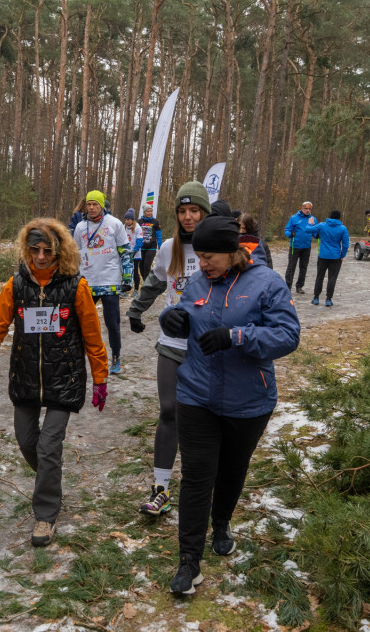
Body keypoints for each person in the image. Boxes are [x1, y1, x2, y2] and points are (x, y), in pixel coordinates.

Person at [158, 216, 300, 595]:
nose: (202, 263)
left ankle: (221, 522)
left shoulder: (267, 283)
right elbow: (183, 312)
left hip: (249, 400)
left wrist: (236, 336)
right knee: (196, 476)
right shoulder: (197, 282)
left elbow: (288, 336)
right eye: (199, 256)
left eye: (209, 256)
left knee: (232, 470)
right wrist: (172, 319)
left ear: (231, 251)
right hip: (197, 395)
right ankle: (189, 561)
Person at [0, 218, 108, 547]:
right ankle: (50, 476)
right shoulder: (16, 286)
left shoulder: (76, 287)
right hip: (26, 378)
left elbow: (92, 336)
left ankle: (46, 514)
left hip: (64, 379)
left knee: (48, 448)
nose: (41, 257)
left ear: (60, 252)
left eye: (48, 251)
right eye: (35, 250)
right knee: (28, 441)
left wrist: (100, 378)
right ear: (26, 249)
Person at [126, 181, 210, 517]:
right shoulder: (168, 248)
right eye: (182, 211)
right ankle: (160, 489)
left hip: (206, 348)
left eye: (194, 210)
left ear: (205, 212)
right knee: (168, 412)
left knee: (204, 419)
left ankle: (201, 486)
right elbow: (154, 283)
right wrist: (135, 310)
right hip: (172, 345)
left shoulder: (215, 250)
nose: (188, 217)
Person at [74, 189, 132, 374]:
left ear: (102, 206)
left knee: (112, 323)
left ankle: (116, 357)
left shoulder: (115, 224)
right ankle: (78, 358)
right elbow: (76, 255)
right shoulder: (80, 227)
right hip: (87, 282)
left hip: (110, 281)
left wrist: (128, 277)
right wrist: (74, 278)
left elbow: (125, 252)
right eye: (89, 204)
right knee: (81, 323)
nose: (91, 208)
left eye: (95, 204)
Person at [309, 210, 350, 307]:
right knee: (332, 278)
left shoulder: (322, 225)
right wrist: (342, 255)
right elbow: (345, 244)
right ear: (339, 218)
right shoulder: (343, 229)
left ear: (330, 216)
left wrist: (311, 224)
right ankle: (328, 299)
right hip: (335, 257)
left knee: (319, 277)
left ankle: (316, 298)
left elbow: (308, 230)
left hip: (323, 256)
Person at [284, 201, 316, 294]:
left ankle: (299, 286)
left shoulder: (313, 219)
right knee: (291, 267)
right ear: (302, 208)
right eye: (306, 208)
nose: (308, 210)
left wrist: (317, 234)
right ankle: (288, 287)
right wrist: (290, 234)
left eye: (309, 209)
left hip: (306, 247)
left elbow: (315, 232)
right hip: (295, 246)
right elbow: (287, 229)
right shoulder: (294, 218)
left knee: (303, 268)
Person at [138, 205, 162, 281]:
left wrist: (160, 246)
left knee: (147, 266)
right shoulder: (139, 222)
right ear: (144, 212)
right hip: (141, 248)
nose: (149, 213)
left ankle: (147, 284)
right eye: (148, 211)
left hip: (151, 247)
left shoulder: (155, 222)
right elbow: (136, 234)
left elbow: (158, 235)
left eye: (151, 211)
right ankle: (146, 281)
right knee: (141, 267)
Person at [123, 208, 143, 296]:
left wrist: (134, 251)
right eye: (125, 219)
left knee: (134, 272)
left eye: (128, 220)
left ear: (132, 220)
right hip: (126, 253)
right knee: (126, 272)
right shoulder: (123, 227)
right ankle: (125, 290)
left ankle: (136, 290)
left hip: (135, 254)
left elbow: (140, 240)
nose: (126, 221)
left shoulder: (137, 228)